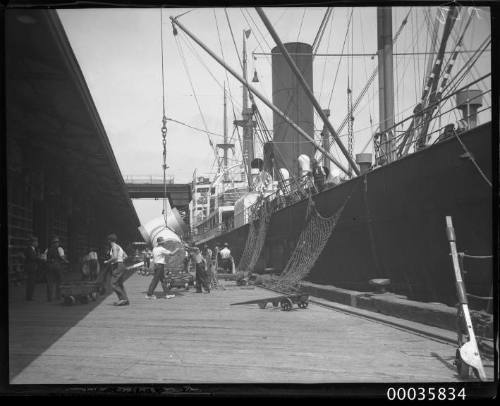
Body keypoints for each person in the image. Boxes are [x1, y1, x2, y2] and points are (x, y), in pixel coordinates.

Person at [104, 234, 129, 306]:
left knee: (113, 283)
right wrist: (121, 260)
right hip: (121, 265)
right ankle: (125, 300)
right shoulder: (119, 246)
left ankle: (122, 299)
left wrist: (107, 261)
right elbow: (126, 256)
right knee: (119, 284)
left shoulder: (114, 246)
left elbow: (114, 257)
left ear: (109, 240)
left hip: (117, 266)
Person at [45, 236, 69, 302]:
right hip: (57, 267)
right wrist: (66, 261)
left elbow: (44, 258)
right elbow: (62, 257)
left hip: (49, 266)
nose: (58, 243)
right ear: (57, 243)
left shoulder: (47, 249)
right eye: (57, 242)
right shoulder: (60, 249)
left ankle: (49, 298)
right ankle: (58, 296)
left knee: (50, 282)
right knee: (59, 281)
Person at [24, 236, 41, 301]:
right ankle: (29, 297)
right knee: (31, 282)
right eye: (36, 242)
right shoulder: (29, 249)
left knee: (32, 282)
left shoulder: (33, 249)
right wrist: (39, 257)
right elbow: (32, 258)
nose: (37, 243)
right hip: (31, 268)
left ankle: (30, 296)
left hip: (33, 268)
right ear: (32, 242)